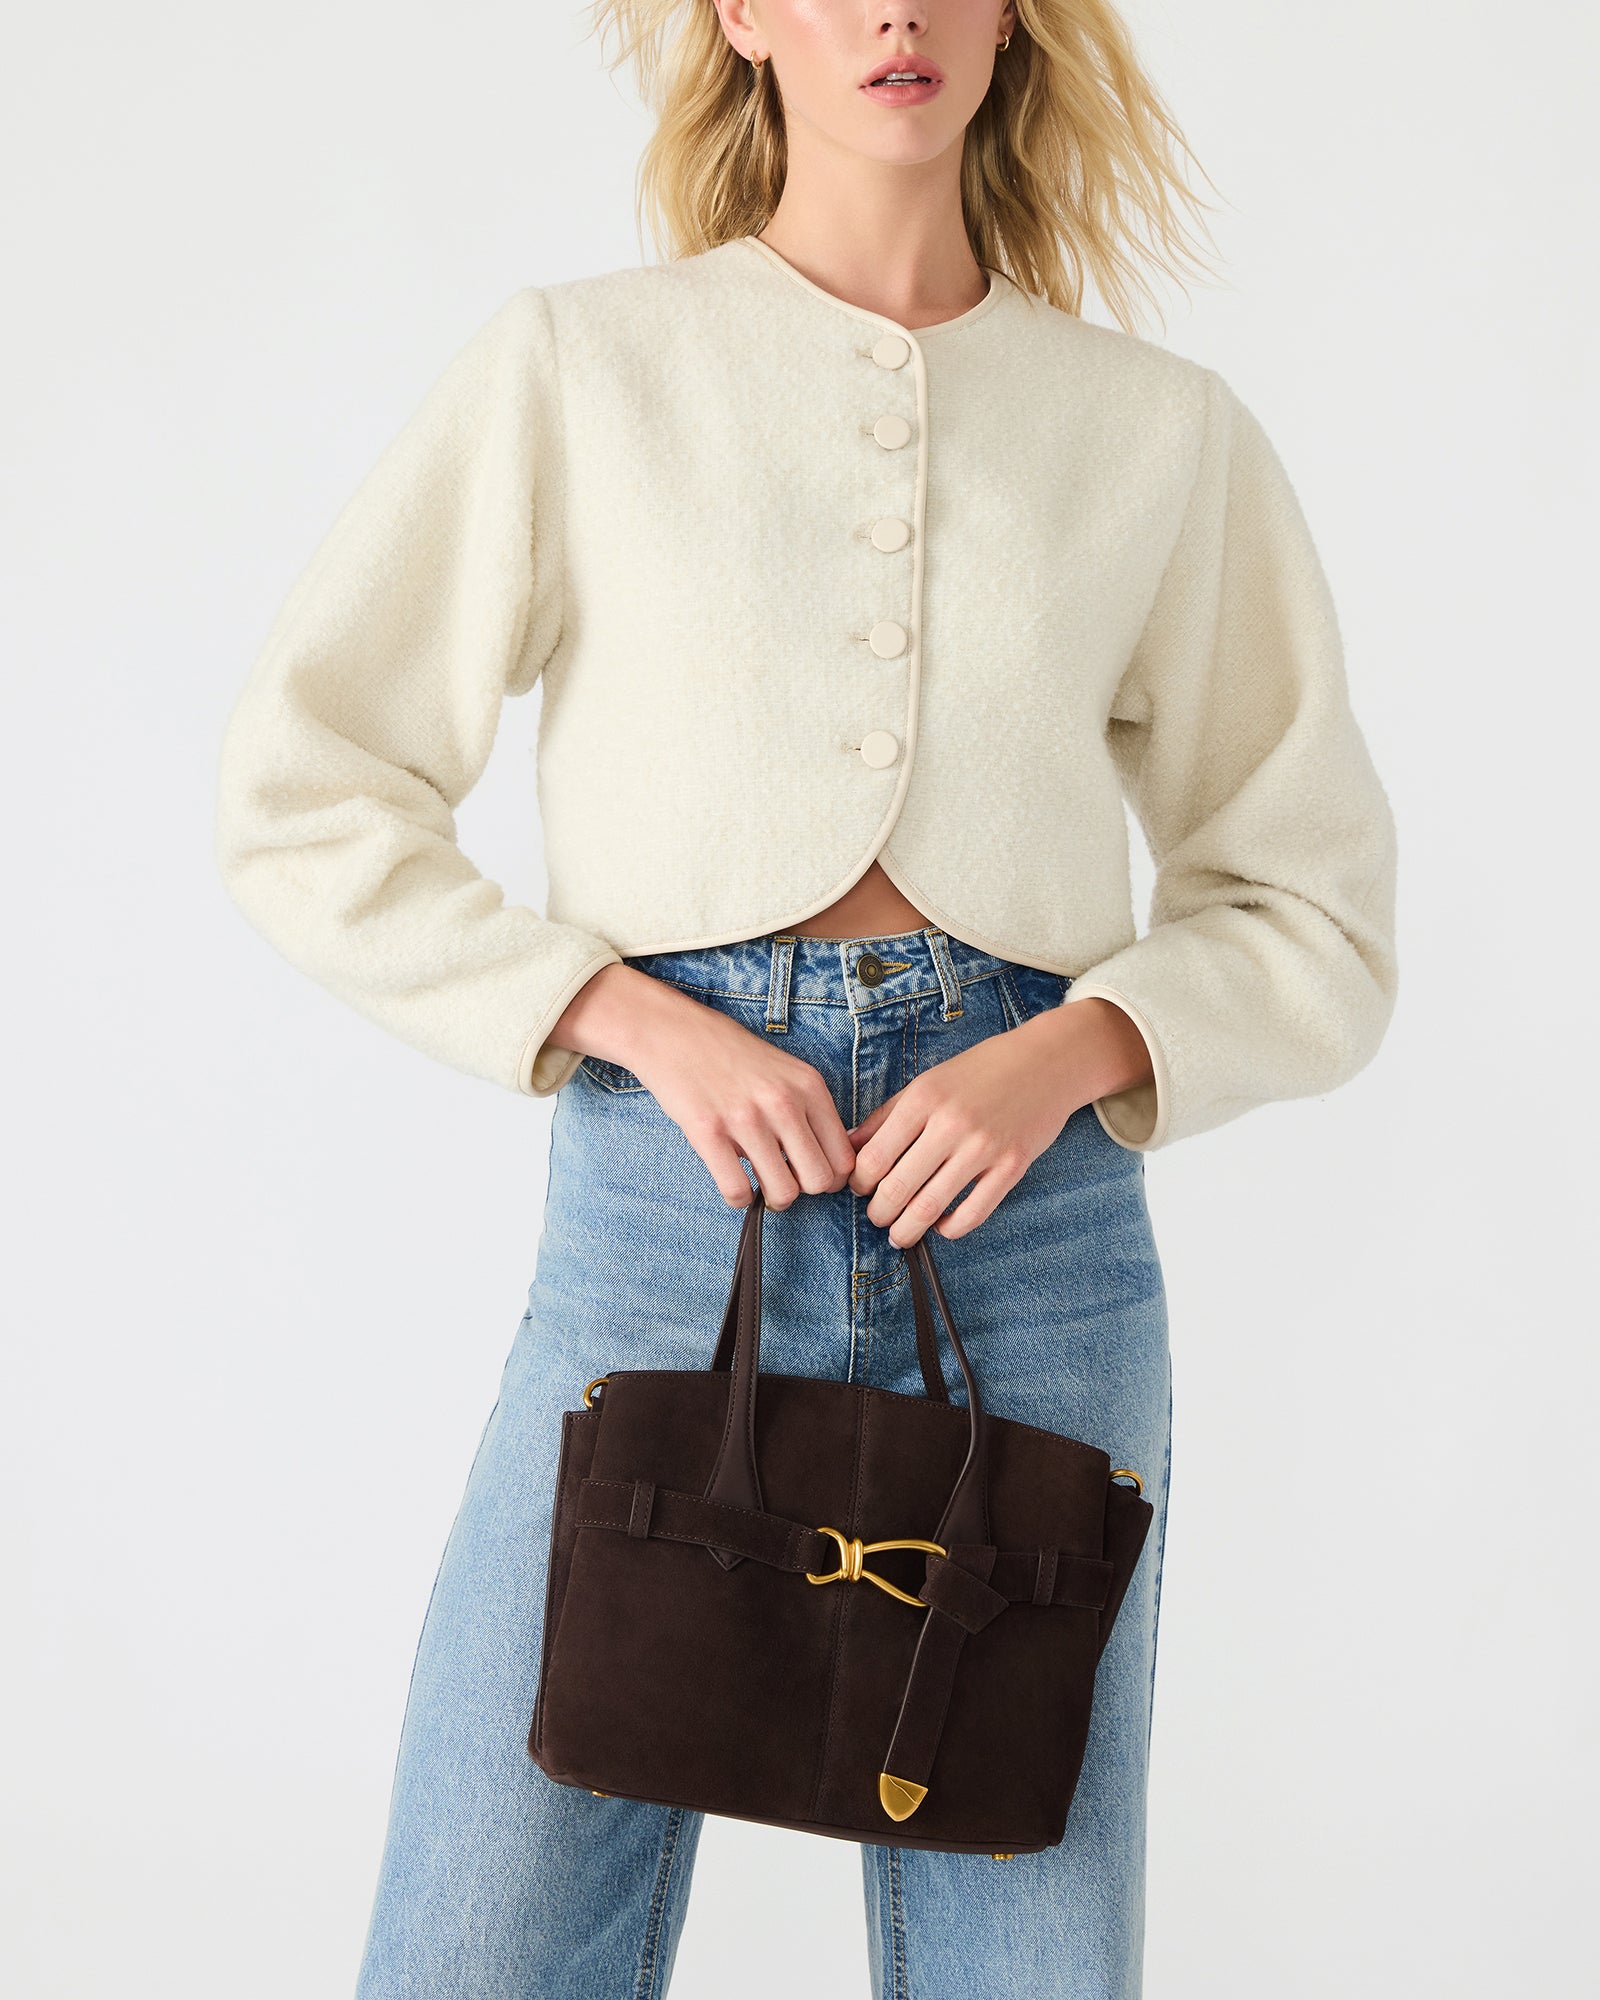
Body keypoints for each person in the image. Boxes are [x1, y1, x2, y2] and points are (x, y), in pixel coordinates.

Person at [214, 1, 1399, 1993]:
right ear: (741, 19)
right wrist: (616, 1009)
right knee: (486, 1928)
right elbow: (302, 788)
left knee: (1025, 1935)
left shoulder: (1157, 431)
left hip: (1033, 1244)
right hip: (663, 1215)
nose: (893, 12)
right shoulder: (579, 368)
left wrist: (1075, 1047)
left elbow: (1314, 904)